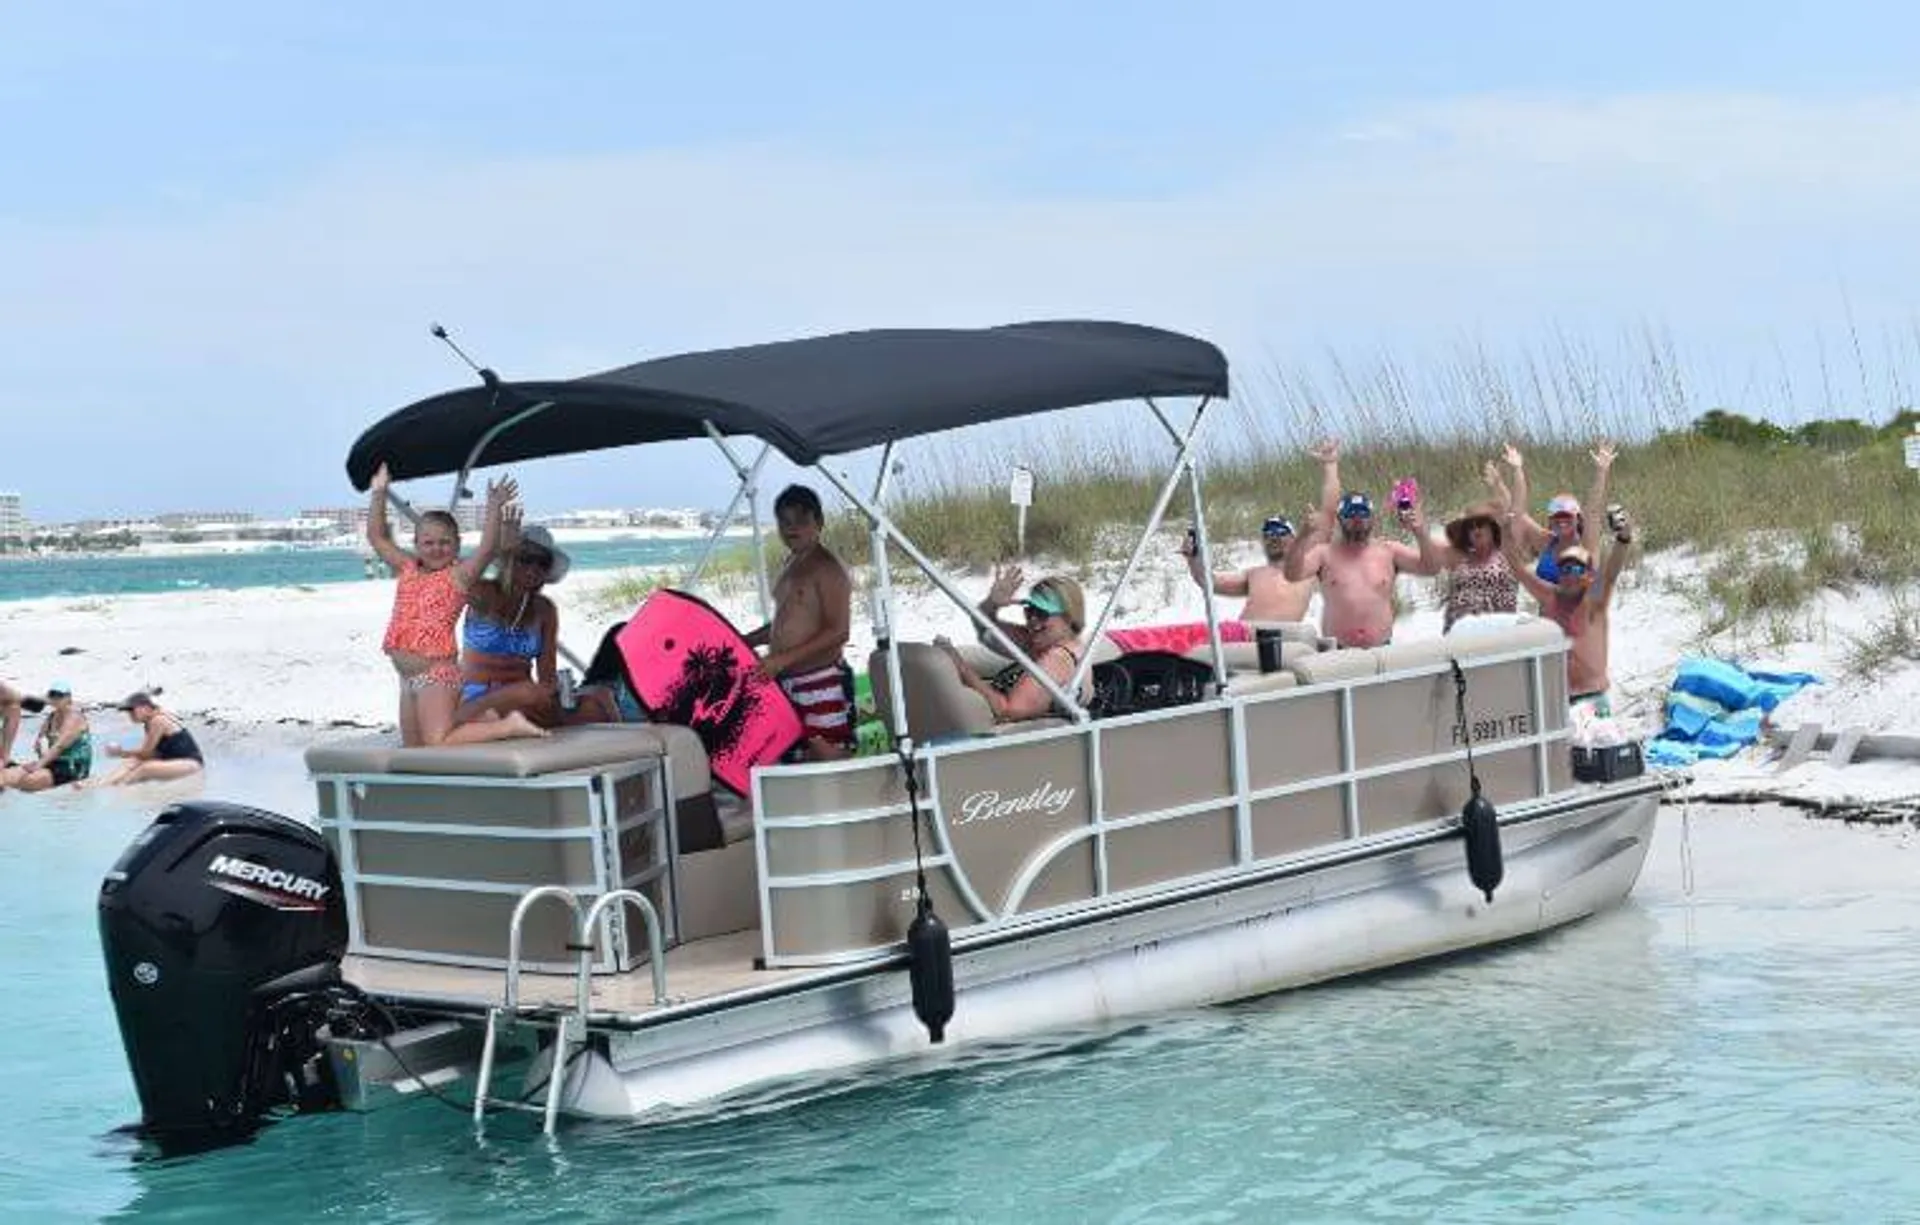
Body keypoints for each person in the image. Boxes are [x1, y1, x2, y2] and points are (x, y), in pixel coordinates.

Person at [366, 463, 546, 748]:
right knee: (414, 751)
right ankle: (482, 720)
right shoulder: (407, 568)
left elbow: (487, 549)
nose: (436, 548)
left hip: (437, 675)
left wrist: (494, 507)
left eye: (445, 542)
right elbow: (377, 537)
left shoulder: (458, 576)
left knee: (438, 741)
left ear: (457, 545)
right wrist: (379, 492)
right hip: (406, 679)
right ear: (416, 544)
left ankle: (507, 725)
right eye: (428, 543)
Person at [453, 523, 618, 729]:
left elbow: (547, 675)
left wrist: (555, 694)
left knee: (600, 697)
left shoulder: (544, 609)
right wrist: (497, 548)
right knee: (529, 697)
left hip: (526, 698)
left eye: (542, 563)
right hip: (478, 695)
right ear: (509, 559)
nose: (533, 568)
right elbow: (453, 574)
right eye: (525, 559)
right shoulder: (484, 592)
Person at [1281, 440, 1437, 648]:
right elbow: (1292, 574)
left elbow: (1431, 568)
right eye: (1351, 515)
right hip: (1337, 651)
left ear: (1372, 518)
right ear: (1340, 519)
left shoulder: (1389, 551)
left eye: (1363, 514)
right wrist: (1302, 536)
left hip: (1381, 650)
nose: (1357, 520)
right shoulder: (1324, 554)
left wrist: (1421, 532)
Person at [747, 484, 855, 759]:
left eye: (801, 520)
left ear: (819, 523)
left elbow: (839, 631)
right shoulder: (790, 565)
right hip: (787, 679)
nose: (791, 528)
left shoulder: (827, 569)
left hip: (821, 681)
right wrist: (747, 641)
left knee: (828, 754)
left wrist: (781, 659)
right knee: (796, 753)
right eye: (784, 521)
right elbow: (784, 623)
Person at [1506, 505, 1635, 715]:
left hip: (1593, 697)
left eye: (1577, 568)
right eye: (1565, 568)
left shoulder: (1595, 600)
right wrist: (1505, 533)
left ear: (1588, 575)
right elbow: (1517, 569)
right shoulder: (1550, 597)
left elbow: (1612, 571)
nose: (1571, 573)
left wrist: (1624, 537)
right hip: (1559, 699)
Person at [939, 571, 1087, 723]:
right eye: (1029, 610)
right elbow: (985, 629)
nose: (1033, 620)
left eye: (1042, 613)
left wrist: (961, 667)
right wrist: (992, 603)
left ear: (1069, 617)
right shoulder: (1046, 641)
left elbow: (1007, 711)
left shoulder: (1057, 659)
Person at [1502, 440, 1616, 583]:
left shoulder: (1587, 544)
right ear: (1550, 521)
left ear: (1577, 520)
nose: (1562, 522)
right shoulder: (1546, 542)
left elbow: (1593, 511)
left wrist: (1601, 472)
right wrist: (1517, 470)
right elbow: (1518, 513)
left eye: (1567, 517)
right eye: (1557, 517)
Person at [1410, 488, 1518, 633]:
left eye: (1481, 524)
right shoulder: (1459, 556)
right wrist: (1419, 529)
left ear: (1492, 529)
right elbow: (1428, 544)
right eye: (1470, 527)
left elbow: (1512, 509)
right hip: (1461, 633)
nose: (1476, 529)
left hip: (1500, 631)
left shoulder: (1506, 552)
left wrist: (1501, 483)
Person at [1180, 515, 1317, 623]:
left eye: (1280, 532)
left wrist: (1308, 531)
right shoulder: (1254, 574)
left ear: (1294, 539)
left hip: (1284, 640)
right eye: (1268, 534)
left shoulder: (1308, 569)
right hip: (1243, 638)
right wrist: (1192, 558)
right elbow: (1208, 582)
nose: (1273, 537)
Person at [82, 692, 205, 787]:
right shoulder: (150, 722)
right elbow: (150, 754)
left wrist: (120, 753)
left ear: (145, 707)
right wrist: (126, 756)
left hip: (191, 764)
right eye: (128, 711)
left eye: (132, 710)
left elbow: (146, 753)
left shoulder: (157, 720)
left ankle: (118, 789)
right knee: (133, 761)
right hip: (173, 760)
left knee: (145, 769)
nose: (130, 715)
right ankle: (105, 783)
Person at [0, 682, 91, 792]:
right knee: (9, 775)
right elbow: (39, 743)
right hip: (51, 763)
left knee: (24, 780)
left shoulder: (75, 718)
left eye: (60, 695)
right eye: (52, 695)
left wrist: (38, 765)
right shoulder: (50, 718)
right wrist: (39, 749)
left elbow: (59, 746)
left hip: (72, 768)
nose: (56, 699)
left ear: (69, 697)